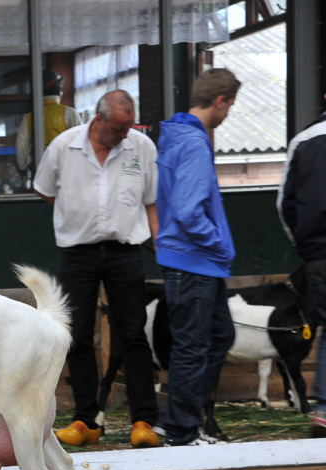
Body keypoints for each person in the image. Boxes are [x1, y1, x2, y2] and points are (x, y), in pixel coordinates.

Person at [34, 90, 161, 449]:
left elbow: (151, 200)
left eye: (128, 127)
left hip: (125, 251)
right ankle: (86, 420)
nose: (124, 134)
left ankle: (143, 421)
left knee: (134, 335)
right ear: (99, 120)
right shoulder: (64, 146)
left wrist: (160, 241)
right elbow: (44, 189)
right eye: (118, 128)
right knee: (77, 336)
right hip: (78, 253)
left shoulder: (142, 147)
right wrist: (75, 210)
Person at [155, 68, 242, 447]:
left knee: (220, 335)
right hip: (195, 260)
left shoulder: (178, 137)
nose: (228, 114)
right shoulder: (192, 143)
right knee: (193, 346)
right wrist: (219, 244)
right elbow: (189, 211)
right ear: (220, 101)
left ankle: (180, 421)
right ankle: (180, 430)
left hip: (192, 262)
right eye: (230, 106)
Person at [278, 93, 326, 438]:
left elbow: (285, 204)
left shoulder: (303, 140)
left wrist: (305, 248)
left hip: (319, 253)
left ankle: (323, 409)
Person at [16, 69, 82, 176]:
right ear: (58, 89)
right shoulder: (69, 113)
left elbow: (21, 146)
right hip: (65, 170)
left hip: (40, 171)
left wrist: (23, 168)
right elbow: (81, 143)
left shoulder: (28, 118)